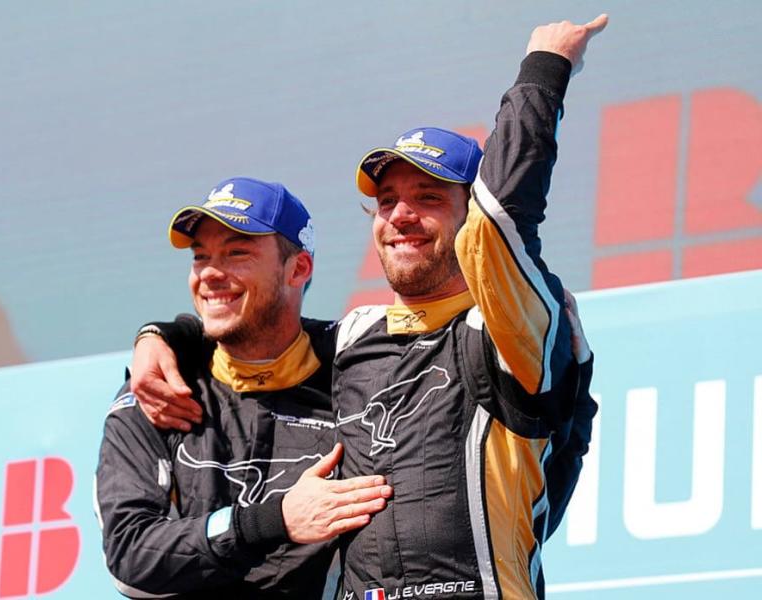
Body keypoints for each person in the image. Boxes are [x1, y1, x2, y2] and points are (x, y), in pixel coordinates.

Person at [132, 16, 607, 600]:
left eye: (429, 197)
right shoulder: (355, 338)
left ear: (468, 211)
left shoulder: (511, 327)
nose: (400, 215)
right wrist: (160, 336)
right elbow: (250, 324)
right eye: (386, 201)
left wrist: (543, 69)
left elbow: (499, 227)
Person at [94, 177, 393, 599]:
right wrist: (276, 519)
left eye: (236, 253)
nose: (211, 274)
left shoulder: (361, 372)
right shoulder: (157, 391)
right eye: (200, 257)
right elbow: (131, 559)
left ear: (299, 268)